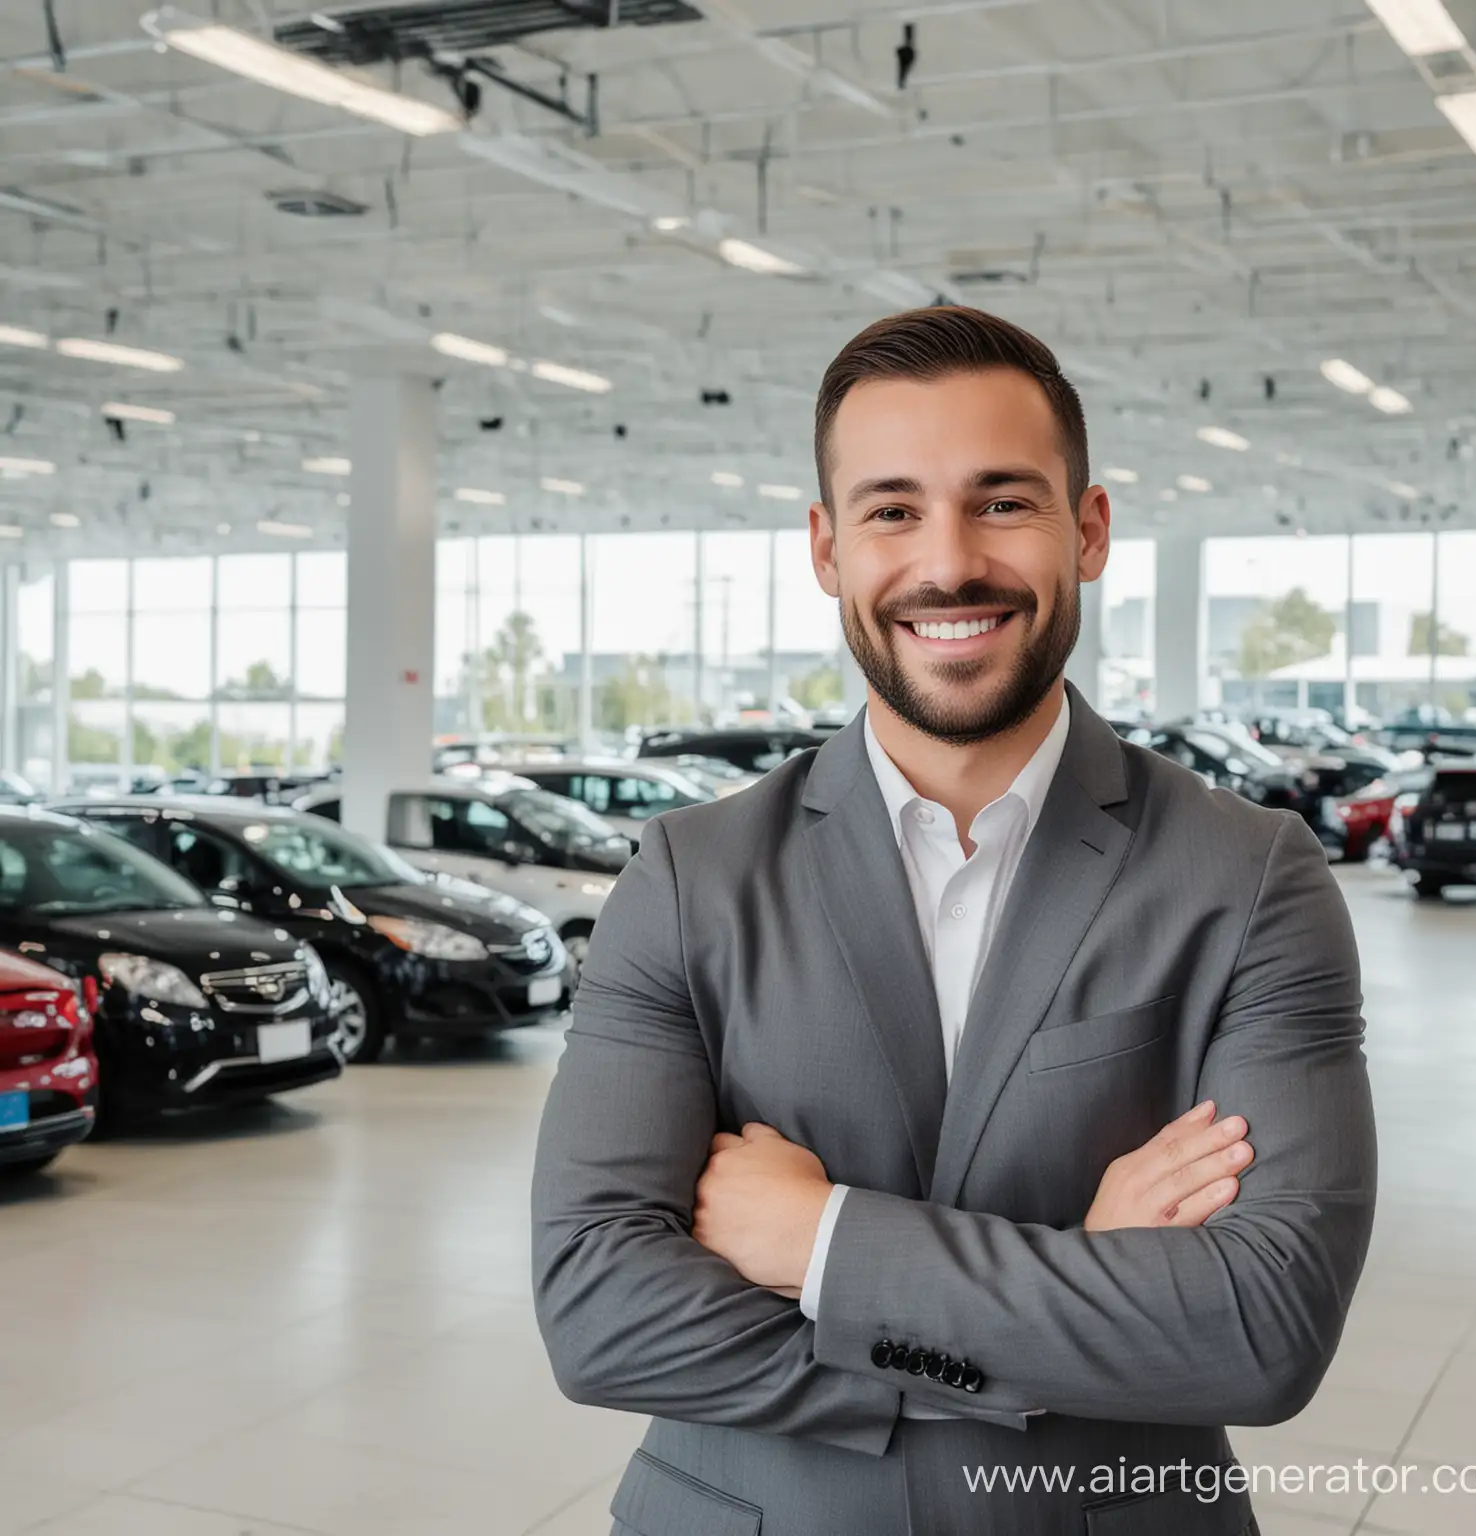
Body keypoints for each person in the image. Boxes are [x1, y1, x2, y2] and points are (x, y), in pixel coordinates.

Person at [531, 306, 1376, 1536]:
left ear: (1086, 531)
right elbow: (599, 1314)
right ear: (827, 549)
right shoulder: (686, 875)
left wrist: (819, 1240)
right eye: (891, 510)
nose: (948, 563)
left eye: (1003, 501)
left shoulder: (1250, 878)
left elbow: (1260, 1330)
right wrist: (1069, 1296)